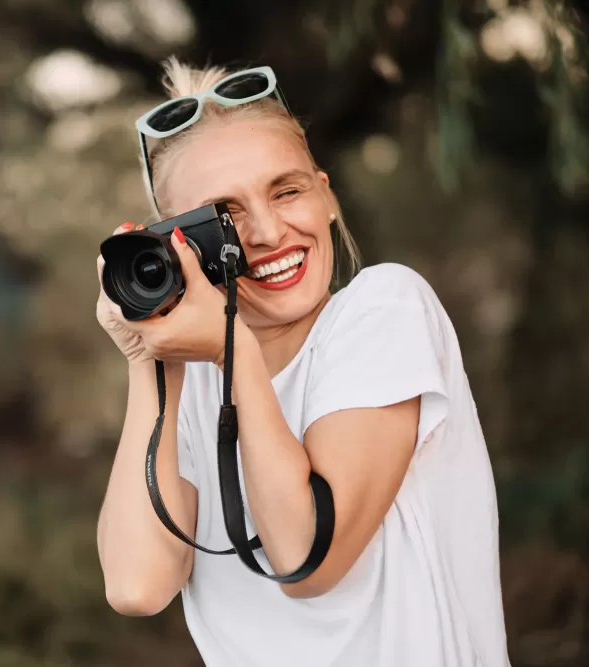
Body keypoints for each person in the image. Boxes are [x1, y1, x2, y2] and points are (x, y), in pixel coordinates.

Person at [94, 58, 511, 667]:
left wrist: (228, 347)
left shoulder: (383, 309)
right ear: (176, 243)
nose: (266, 231)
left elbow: (305, 558)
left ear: (326, 194)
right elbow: (137, 586)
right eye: (226, 214)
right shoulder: (195, 384)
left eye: (287, 191)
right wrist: (147, 358)